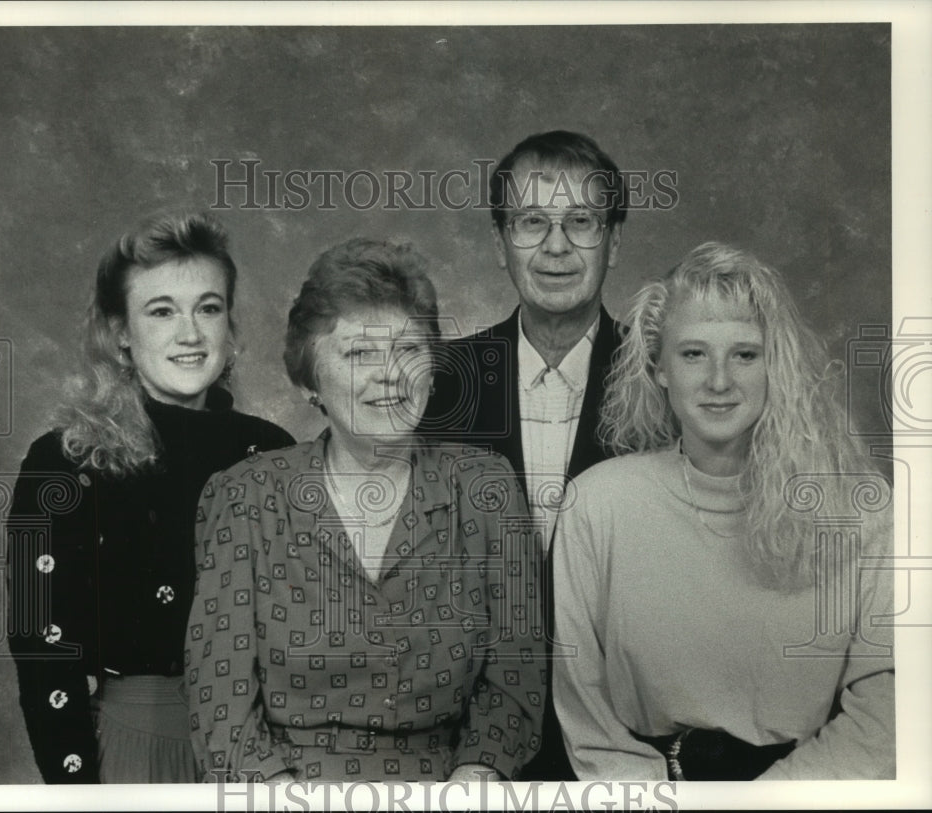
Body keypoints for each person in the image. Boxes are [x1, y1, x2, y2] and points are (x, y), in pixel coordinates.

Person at [187, 238, 545, 782]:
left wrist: (477, 776)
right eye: (359, 354)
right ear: (310, 380)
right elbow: (220, 702)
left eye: (407, 350)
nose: (390, 376)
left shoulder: (485, 488)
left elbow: (516, 675)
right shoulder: (245, 497)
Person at [553, 242, 895, 780]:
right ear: (658, 367)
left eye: (744, 354)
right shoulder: (596, 506)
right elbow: (587, 716)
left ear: (774, 366)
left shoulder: (860, 511)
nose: (718, 381)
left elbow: (887, 714)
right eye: (693, 354)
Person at [6, 211, 295, 783]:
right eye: (161, 311)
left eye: (207, 308)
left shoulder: (273, 450)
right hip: (141, 748)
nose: (190, 334)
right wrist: (78, 790)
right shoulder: (65, 463)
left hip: (275, 750)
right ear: (119, 332)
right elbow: (44, 648)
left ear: (229, 325)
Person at [421, 130, 626, 779]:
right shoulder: (436, 384)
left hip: (626, 744)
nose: (557, 246)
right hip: (461, 745)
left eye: (582, 222)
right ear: (500, 242)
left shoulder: (669, 384)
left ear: (613, 242)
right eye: (533, 221)